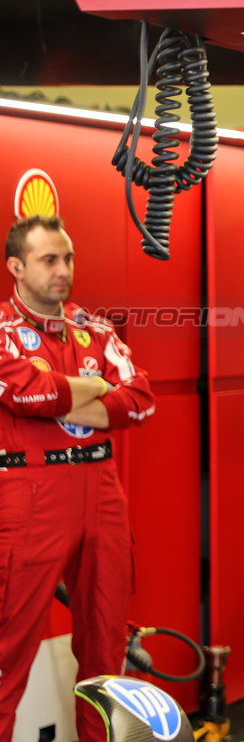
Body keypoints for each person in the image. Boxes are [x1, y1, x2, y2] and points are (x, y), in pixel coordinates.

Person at [0, 215, 156, 742]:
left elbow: (138, 403)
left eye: (67, 258)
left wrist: (67, 394)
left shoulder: (98, 329)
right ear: (16, 267)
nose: (63, 270)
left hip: (102, 491)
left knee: (106, 648)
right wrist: (93, 389)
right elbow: (25, 393)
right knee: (6, 650)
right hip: (30, 495)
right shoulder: (1, 330)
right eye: (49, 260)